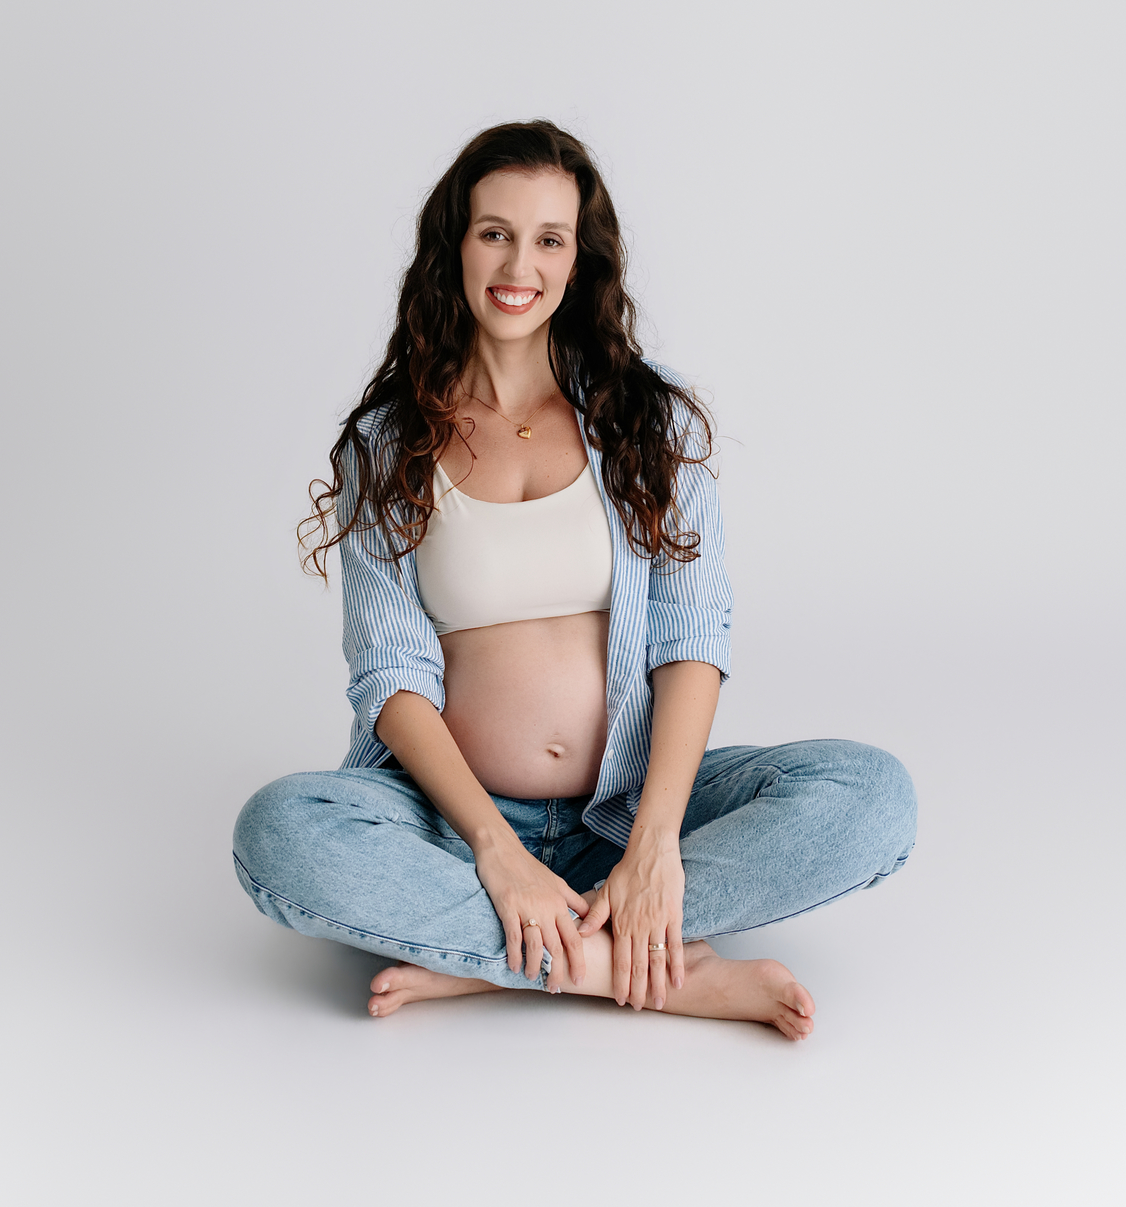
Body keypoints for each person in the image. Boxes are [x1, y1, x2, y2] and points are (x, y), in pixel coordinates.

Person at [233, 121, 916, 1037]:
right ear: (455, 245)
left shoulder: (648, 418)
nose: (520, 264)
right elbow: (389, 676)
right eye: (495, 232)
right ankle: (631, 966)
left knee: (871, 796)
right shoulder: (388, 445)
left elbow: (689, 636)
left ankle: (504, 956)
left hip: (627, 811)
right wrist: (494, 848)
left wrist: (657, 844)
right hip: (454, 828)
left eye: (549, 239)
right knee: (278, 830)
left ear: (578, 260)